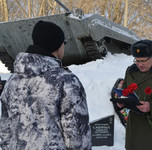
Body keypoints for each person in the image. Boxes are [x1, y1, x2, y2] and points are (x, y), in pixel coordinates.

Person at [0, 20, 92, 150]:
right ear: (57, 46)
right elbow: (77, 138)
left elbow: (5, 129)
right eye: (63, 43)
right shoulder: (66, 81)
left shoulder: (12, 81)